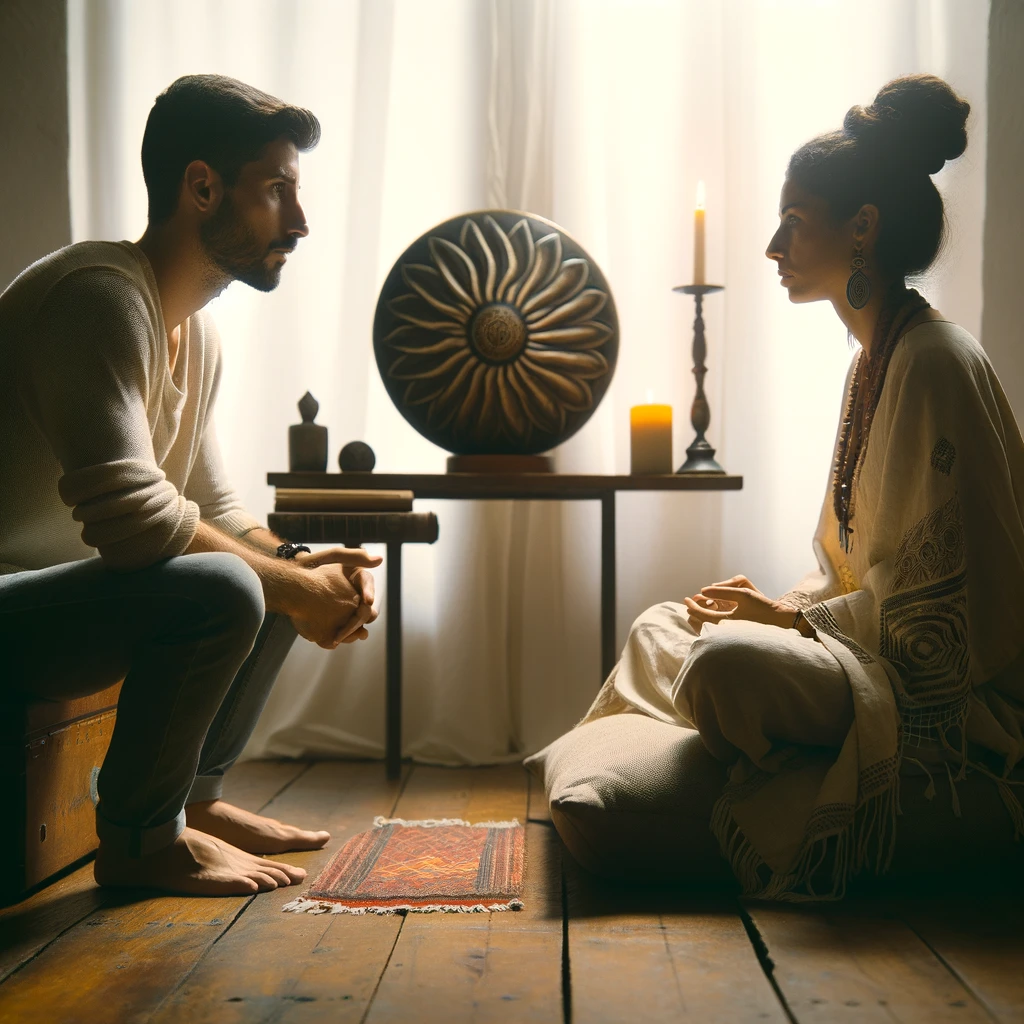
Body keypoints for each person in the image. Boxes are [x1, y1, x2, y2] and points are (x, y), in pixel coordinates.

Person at [582, 74, 1024, 899]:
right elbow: (849, 573)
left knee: (724, 664)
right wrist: (785, 608)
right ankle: (714, 716)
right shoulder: (873, 358)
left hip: (941, 693)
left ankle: (717, 727)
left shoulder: (932, 359)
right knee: (662, 623)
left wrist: (788, 622)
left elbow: (942, 622)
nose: (772, 248)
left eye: (792, 222)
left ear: (862, 228)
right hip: (857, 647)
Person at [0, 75, 382, 897]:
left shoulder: (192, 332)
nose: (301, 220)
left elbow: (213, 511)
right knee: (227, 586)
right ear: (202, 186)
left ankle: (196, 802)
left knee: (270, 568)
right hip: (10, 605)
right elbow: (136, 525)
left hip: (57, 604)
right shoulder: (97, 297)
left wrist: (302, 565)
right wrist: (284, 581)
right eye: (277, 190)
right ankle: (140, 841)